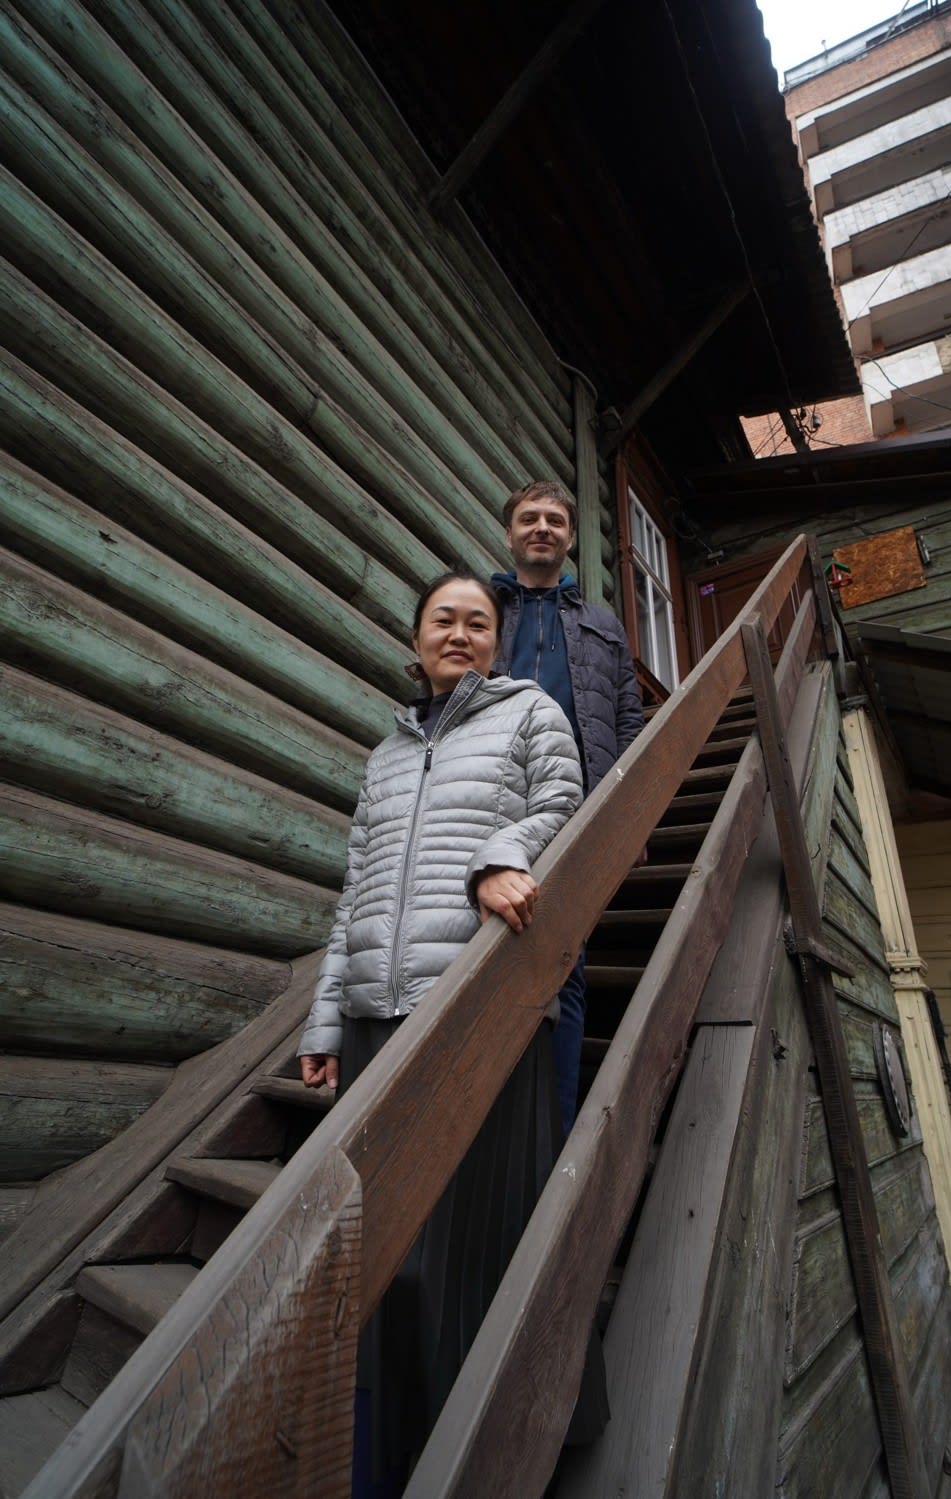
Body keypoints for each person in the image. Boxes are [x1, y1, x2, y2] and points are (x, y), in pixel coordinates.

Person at [298, 571, 607, 1491]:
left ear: (496, 642)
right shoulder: (386, 754)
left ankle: (504, 1432)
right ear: (418, 637)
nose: (462, 633)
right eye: (445, 619)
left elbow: (565, 804)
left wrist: (496, 857)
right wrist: (325, 1018)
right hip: (372, 1018)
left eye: (479, 621)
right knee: (384, 1248)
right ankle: (390, 1448)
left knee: (477, 1244)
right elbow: (354, 893)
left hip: (478, 1007)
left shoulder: (531, 713)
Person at [492, 479, 645, 1134]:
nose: (542, 528)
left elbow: (629, 719)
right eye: (529, 518)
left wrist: (628, 812)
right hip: (492, 798)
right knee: (483, 952)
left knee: (565, 962)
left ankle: (552, 1130)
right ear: (509, 533)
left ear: (570, 537)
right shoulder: (483, 609)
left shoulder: (603, 626)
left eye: (555, 519)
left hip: (576, 808)